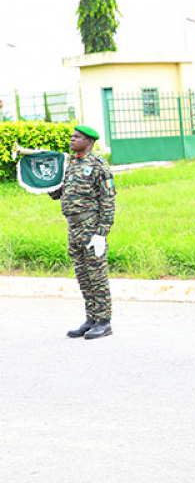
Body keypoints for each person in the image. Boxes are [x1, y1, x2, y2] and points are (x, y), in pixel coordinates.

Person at [49, 125, 115, 340]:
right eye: (72, 136)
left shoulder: (98, 165)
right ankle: (91, 318)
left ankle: (104, 321)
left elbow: (108, 200)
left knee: (97, 275)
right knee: (83, 276)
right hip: (74, 227)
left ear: (89, 141)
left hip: (91, 227)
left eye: (77, 137)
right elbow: (59, 193)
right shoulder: (70, 165)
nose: (72, 139)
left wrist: (101, 233)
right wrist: (49, 185)